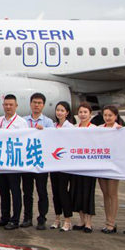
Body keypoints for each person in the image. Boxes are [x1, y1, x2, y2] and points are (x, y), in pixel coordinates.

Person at [0, 94, 27, 230]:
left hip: (14, 163)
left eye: (11, 105)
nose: (8, 107)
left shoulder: (21, 122)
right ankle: (4, 217)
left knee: (15, 191)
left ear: (16, 106)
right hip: (1, 162)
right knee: (3, 191)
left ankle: (15, 219)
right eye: (6, 105)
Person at [22, 92, 55, 230]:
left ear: (43, 105)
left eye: (39, 103)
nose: (36, 105)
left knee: (42, 192)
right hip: (26, 162)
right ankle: (27, 218)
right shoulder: (23, 121)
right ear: (30, 104)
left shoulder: (48, 122)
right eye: (34, 102)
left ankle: (42, 219)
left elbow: (53, 138)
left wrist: (45, 131)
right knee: (27, 192)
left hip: (41, 162)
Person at [71, 102, 97, 233]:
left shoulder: (95, 129)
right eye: (80, 112)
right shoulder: (74, 128)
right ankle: (81, 221)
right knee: (77, 193)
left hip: (89, 167)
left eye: (85, 112)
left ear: (90, 114)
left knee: (88, 194)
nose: (82, 115)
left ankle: (89, 223)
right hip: (76, 166)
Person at [98, 105, 124, 234]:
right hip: (102, 166)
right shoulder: (99, 129)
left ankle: (112, 223)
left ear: (116, 116)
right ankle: (107, 220)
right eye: (105, 115)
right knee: (105, 194)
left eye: (110, 115)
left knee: (113, 194)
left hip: (113, 166)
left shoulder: (118, 129)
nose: (107, 118)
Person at [50, 101, 76, 231]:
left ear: (67, 112)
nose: (59, 112)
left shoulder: (70, 127)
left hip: (65, 165)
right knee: (55, 192)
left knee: (63, 191)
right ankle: (57, 218)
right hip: (53, 164)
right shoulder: (53, 126)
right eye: (57, 110)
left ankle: (67, 220)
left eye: (62, 110)